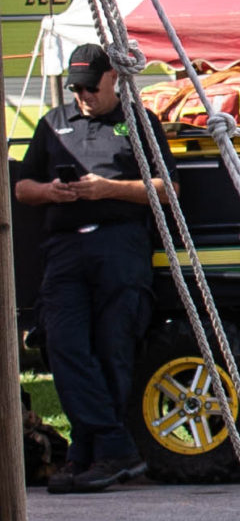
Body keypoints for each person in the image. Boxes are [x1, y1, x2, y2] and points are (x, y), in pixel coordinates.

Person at [16, 45, 156, 489]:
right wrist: (50, 192)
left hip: (118, 241)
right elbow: (22, 187)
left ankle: (88, 452)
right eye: (75, 88)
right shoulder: (54, 123)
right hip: (64, 245)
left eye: (91, 87)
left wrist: (106, 190)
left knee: (113, 350)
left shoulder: (138, 123)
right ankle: (114, 448)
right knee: (63, 345)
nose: (83, 96)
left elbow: (165, 188)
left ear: (112, 78)